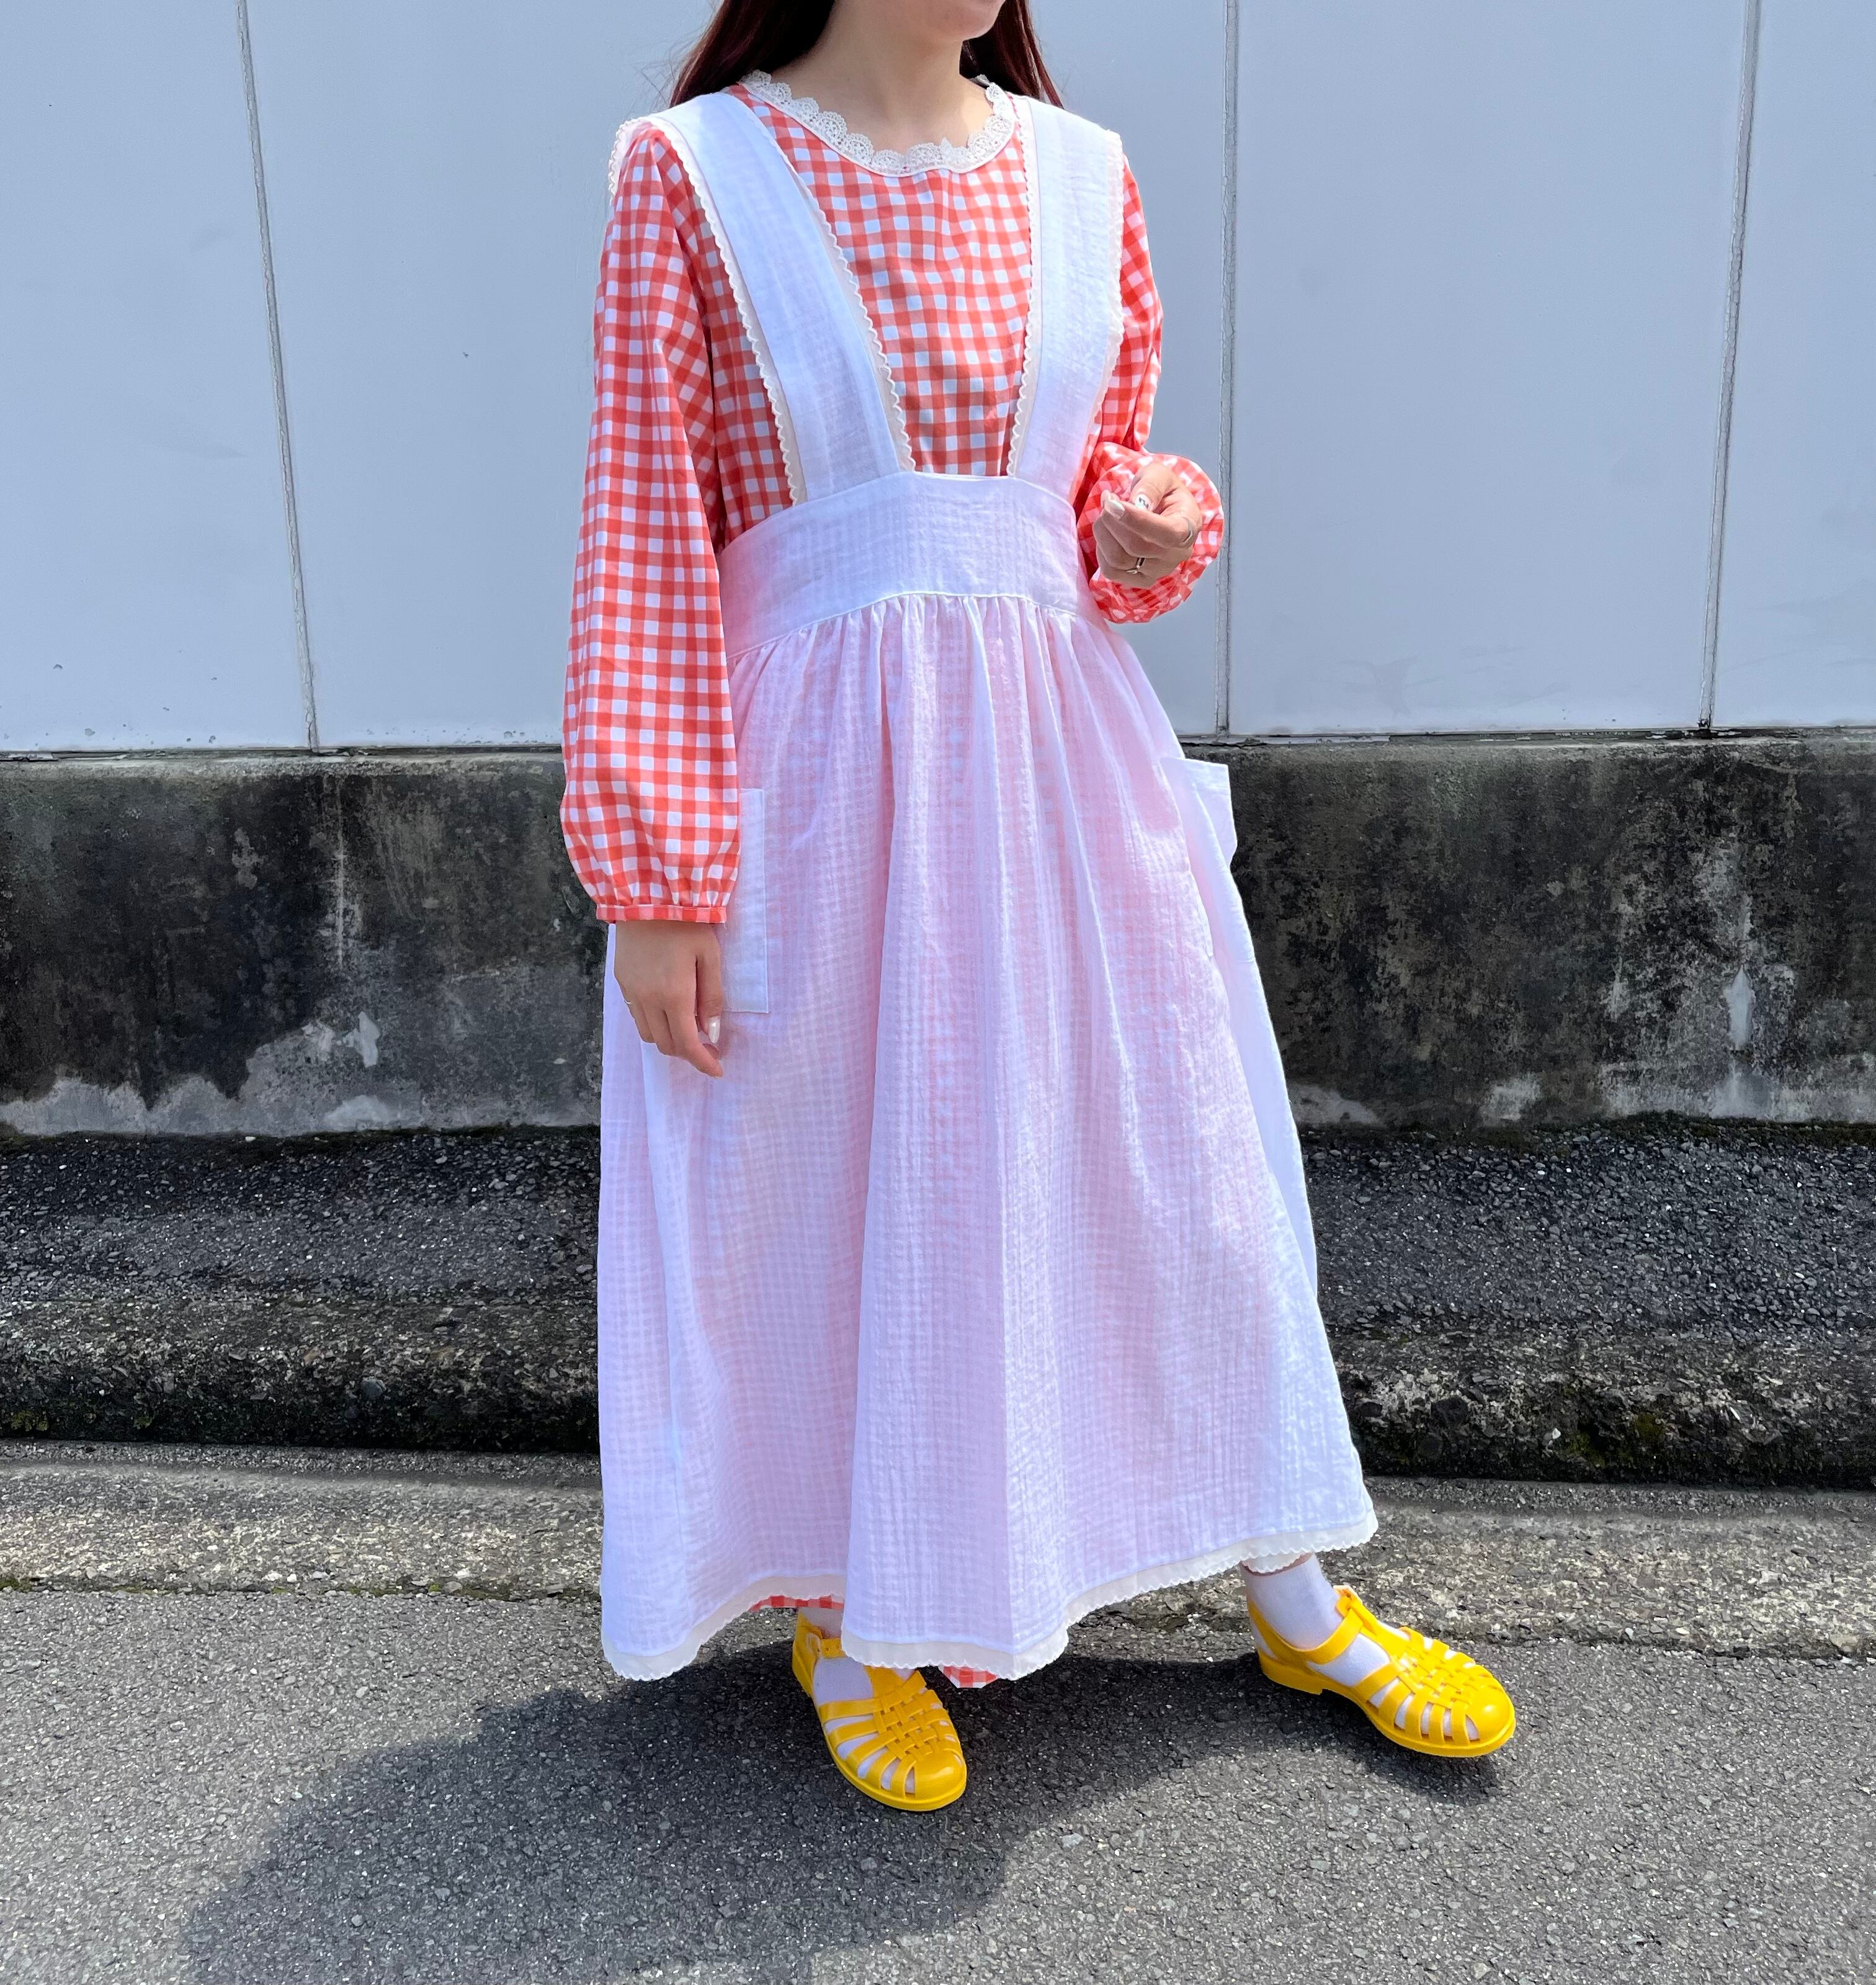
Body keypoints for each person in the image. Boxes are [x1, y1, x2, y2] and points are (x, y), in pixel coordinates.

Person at [561, 0, 1514, 1812]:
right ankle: (853, 1611)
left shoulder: (1082, 175)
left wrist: (1141, 529)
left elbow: (1087, 507)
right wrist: (659, 873)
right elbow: (645, 535)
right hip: (816, 793)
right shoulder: (690, 174)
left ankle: (1294, 1585)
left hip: (1066, 774)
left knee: (1172, 1164)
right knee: (831, 1189)